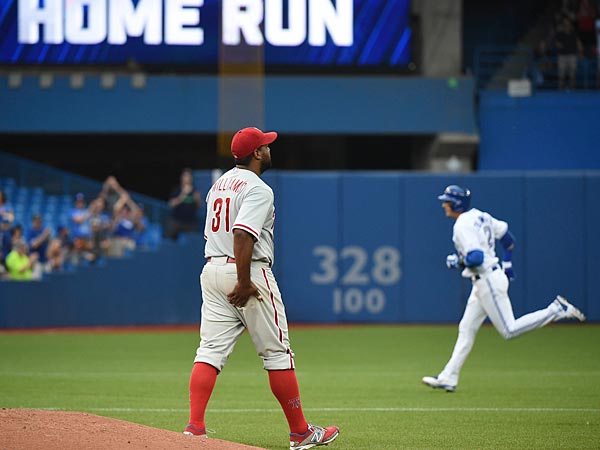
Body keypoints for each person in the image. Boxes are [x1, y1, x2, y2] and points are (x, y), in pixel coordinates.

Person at [183, 127, 339, 450]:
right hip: (247, 271)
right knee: (277, 353)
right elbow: (243, 235)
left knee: (209, 351)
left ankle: (194, 428)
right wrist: (243, 282)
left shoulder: (218, 185)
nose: (269, 149)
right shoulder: (259, 188)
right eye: (265, 145)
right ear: (256, 154)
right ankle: (300, 433)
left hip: (211, 267)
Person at [421, 185, 586, 393]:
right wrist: (507, 264)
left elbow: (475, 258)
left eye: (447, 201)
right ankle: (449, 377)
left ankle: (555, 310)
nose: (444, 204)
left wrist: (457, 261)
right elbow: (508, 239)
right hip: (486, 279)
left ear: (456, 203)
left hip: (487, 279)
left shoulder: (462, 225)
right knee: (466, 328)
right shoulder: (481, 216)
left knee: (509, 330)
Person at [166, 168, 203, 240]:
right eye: (185, 177)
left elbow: (200, 206)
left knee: (193, 239)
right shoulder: (177, 190)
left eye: (188, 177)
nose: (187, 179)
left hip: (190, 221)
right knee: (170, 231)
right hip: (177, 220)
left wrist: (197, 200)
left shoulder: (195, 191)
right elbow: (171, 204)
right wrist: (182, 195)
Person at [555, 16, 584, 89]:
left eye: (568, 23)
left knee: (572, 74)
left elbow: (578, 43)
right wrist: (558, 45)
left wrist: (581, 52)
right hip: (562, 56)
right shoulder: (560, 33)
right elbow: (556, 43)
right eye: (565, 23)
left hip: (572, 55)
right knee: (561, 74)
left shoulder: (574, 33)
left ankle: (572, 88)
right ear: (563, 24)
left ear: (570, 24)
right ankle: (560, 88)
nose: (566, 24)